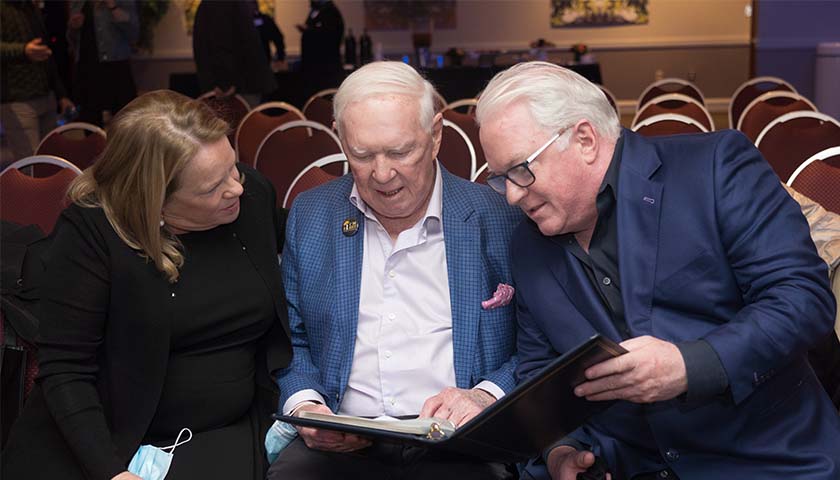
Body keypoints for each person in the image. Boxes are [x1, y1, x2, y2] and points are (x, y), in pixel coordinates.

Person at [475, 61, 840, 479]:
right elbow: (540, 369)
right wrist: (562, 451)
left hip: (767, 460)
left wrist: (690, 365)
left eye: (521, 170)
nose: (512, 197)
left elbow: (802, 298)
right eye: (500, 178)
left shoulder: (716, 167)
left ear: (585, 139)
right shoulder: (528, 243)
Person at [1, 90, 292, 480]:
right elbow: (67, 369)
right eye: (211, 187)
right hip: (107, 435)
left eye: (233, 167)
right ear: (153, 200)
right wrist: (112, 472)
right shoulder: (94, 233)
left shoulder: (252, 197)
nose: (236, 188)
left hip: (223, 432)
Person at [266, 61, 522, 479]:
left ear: (435, 135)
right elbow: (290, 337)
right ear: (340, 137)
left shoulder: (498, 215)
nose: (382, 175)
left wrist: (483, 396)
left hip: (459, 439)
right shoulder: (312, 216)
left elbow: (535, 342)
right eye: (362, 155)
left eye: (401, 152)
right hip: (343, 438)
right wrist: (307, 406)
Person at [1, 0, 74, 166]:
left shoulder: (30, 8)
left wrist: (60, 94)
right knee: (30, 166)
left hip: (46, 95)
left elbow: (46, 53)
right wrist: (24, 50)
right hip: (17, 100)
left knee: (52, 162)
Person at [192, 0, 277, 107]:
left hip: (244, 84)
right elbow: (221, 45)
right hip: (239, 86)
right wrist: (227, 83)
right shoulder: (220, 4)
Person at [67, 0, 139, 126]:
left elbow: (134, 32)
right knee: (90, 122)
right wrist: (73, 27)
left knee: (124, 122)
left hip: (116, 67)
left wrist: (113, 7)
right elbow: (71, 41)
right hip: (87, 69)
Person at [297, 0, 344, 73]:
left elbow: (329, 35)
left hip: (324, 63)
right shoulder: (314, 11)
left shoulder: (331, 11)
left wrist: (310, 30)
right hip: (311, 62)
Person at [251, 1, 287, 71]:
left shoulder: (265, 19)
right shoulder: (241, 21)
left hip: (263, 57)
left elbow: (278, 38)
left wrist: (280, 56)